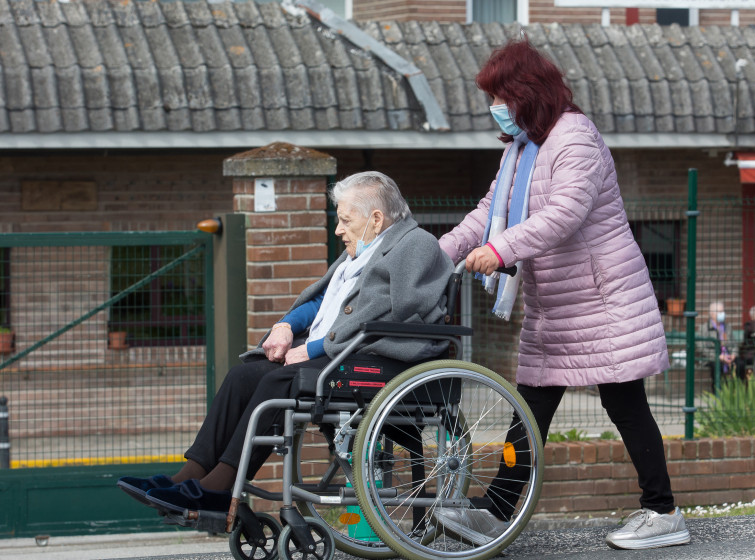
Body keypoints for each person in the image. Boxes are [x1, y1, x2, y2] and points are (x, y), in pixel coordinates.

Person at [434, 41, 688, 551]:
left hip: (603, 299)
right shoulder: (521, 148)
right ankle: (497, 510)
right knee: (529, 408)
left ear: (527, 92)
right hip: (555, 304)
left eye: (500, 96)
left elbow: (564, 214)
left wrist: (499, 250)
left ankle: (663, 513)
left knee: (625, 403)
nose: (495, 107)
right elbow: (489, 209)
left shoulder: (576, 137)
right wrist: (436, 255)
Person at [117, 171, 453, 513]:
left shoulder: (416, 244)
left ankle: (219, 488)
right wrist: (286, 326)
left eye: (345, 220)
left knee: (277, 381)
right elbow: (322, 301)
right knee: (242, 376)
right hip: (342, 355)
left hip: (379, 360)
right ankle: (190, 474)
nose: (338, 230)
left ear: (376, 219)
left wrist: (314, 348)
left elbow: (396, 315)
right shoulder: (363, 250)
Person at [697, 301, 742, 385]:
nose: (723, 314)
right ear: (712, 314)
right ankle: (718, 390)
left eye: (723, 311)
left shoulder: (727, 327)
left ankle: (737, 389)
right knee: (717, 366)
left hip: (728, 355)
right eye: (720, 312)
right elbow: (701, 348)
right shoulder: (704, 328)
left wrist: (733, 354)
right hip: (712, 358)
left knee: (740, 364)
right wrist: (718, 356)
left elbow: (734, 344)